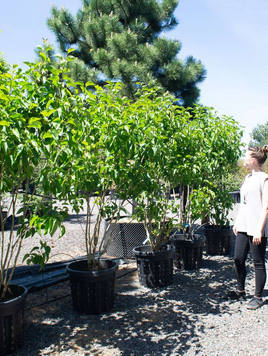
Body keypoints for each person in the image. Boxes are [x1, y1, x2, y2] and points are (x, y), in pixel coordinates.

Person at [230, 145, 268, 309]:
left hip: (257, 227)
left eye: (246, 157)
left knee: (258, 262)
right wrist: (237, 222)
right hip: (244, 226)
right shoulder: (247, 178)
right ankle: (240, 290)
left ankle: (258, 297)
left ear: (254, 159)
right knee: (238, 258)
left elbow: (266, 207)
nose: (244, 159)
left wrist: (259, 230)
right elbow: (243, 203)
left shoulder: (264, 179)